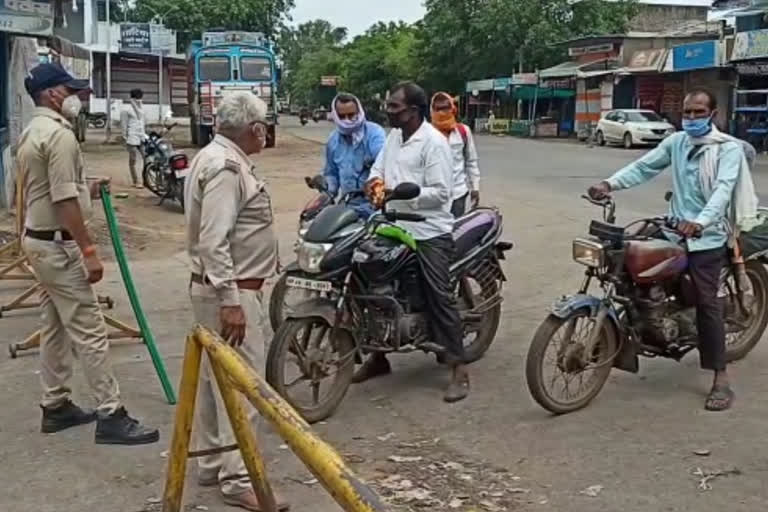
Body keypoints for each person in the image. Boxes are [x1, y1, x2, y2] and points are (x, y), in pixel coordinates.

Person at [588, 89, 757, 412]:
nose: (691, 118)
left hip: (708, 236)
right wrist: (609, 184)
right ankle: (641, 327)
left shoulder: (727, 150)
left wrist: (701, 222)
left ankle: (720, 376)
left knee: (708, 303)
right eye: (687, 112)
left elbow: (722, 191)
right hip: (674, 227)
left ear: (713, 114)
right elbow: (644, 167)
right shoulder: (676, 142)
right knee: (628, 259)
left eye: (698, 112)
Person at [17, 63, 159, 444]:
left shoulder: (32, 130)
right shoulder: (60, 137)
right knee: (89, 328)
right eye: (72, 90)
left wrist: (87, 190)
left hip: (38, 240)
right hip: (58, 245)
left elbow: (52, 191)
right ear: (52, 94)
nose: (78, 98)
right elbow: (63, 199)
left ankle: (56, 404)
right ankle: (111, 414)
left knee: (56, 326)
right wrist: (89, 250)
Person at [184, 92, 290, 511]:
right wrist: (231, 300)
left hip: (218, 288)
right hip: (231, 291)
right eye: (263, 125)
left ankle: (213, 461)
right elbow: (214, 241)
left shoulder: (212, 155)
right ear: (253, 128)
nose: (265, 132)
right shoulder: (227, 168)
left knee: (215, 383)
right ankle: (238, 478)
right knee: (244, 388)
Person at [360, 81, 470, 403]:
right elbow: (378, 168)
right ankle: (377, 357)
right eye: (389, 105)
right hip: (390, 223)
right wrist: (374, 184)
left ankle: (459, 369)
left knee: (438, 293)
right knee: (367, 277)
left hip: (428, 228)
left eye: (394, 107)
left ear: (413, 111)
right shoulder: (394, 137)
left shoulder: (434, 143)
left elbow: (441, 193)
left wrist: (402, 193)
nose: (388, 111)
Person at [323, 93, 386, 218]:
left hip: (374, 207)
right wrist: (326, 191)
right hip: (347, 206)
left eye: (351, 115)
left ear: (359, 112)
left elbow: (383, 163)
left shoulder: (375, 134)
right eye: (342, 116)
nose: (347, 120)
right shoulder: (333, 140)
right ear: (335, 116)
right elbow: (331, 173)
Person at [430, 92, 480, 217]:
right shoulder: (426, 134)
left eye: (445, 108)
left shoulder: (463, 131)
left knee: (456, 231)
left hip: (458, 194)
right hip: (433, 197)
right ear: (432, 110)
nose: (442, 112)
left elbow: (471, 161)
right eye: (438, 109)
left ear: (453, 109)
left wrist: (475, 187)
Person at [121, 88, 146, 188]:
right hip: (131, 137)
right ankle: (136, 181)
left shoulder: (141, 108)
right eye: (137, 98)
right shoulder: (126, 110)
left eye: (140, 98)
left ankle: (145, 180)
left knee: (146, 159)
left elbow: (143, 123)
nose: (139, 100)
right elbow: (124, 125)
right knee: (133, 160)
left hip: (141, 137)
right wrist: (124, 137)